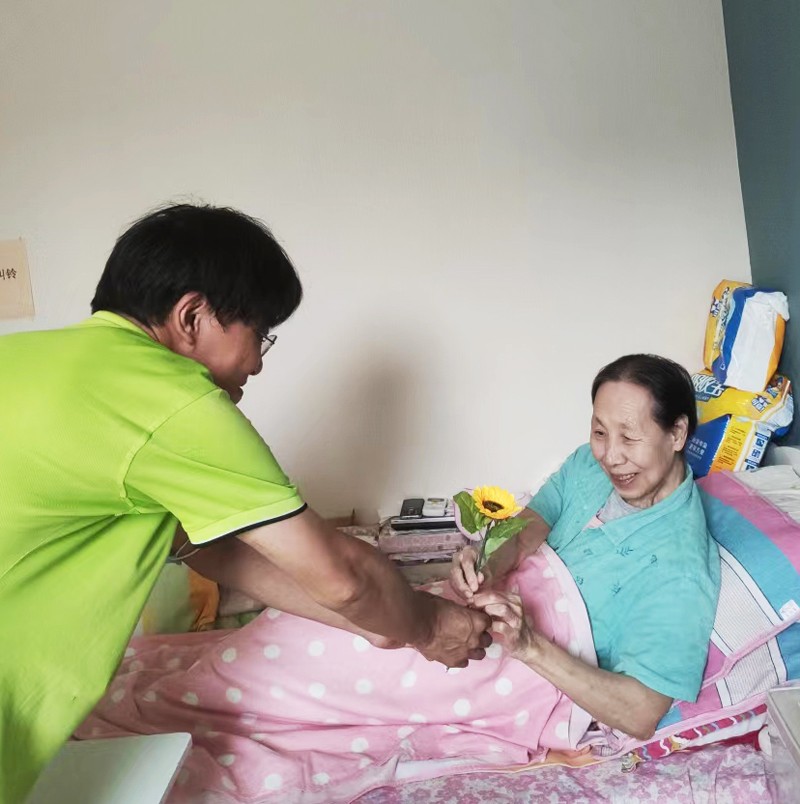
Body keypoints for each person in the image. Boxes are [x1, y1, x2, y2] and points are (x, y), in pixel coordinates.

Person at [0, 203, 491, 802]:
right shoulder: (169, 399)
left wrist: (382, 628)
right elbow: (345, 578)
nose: (257, 362)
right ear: (191, 316)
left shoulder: (24, 358)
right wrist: (429, 624)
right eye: (260, 333)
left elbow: (213, 549)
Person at [452, 353, 721, 740]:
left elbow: (641, 712)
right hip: (486, 617)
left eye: (629, 437)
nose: (610, 456)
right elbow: (529, 527)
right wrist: (485, 568)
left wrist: (529, 646)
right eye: (600, 432)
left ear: (677, 434)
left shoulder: (680, 567)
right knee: (395, 621)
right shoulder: (587, 465)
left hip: (526, 673)